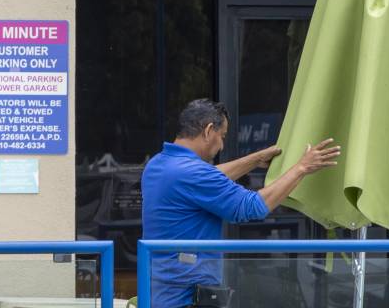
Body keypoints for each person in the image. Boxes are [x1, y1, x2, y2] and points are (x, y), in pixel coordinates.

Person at [141, 99, 341, 308]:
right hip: (185, 297)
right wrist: (302, 168)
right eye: (223, 136)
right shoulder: (193, 173)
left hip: (158, 292)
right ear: (209, 130)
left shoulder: (159, 164)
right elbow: (252, 206)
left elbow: (210, 177)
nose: (223, 145)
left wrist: (255, 159)